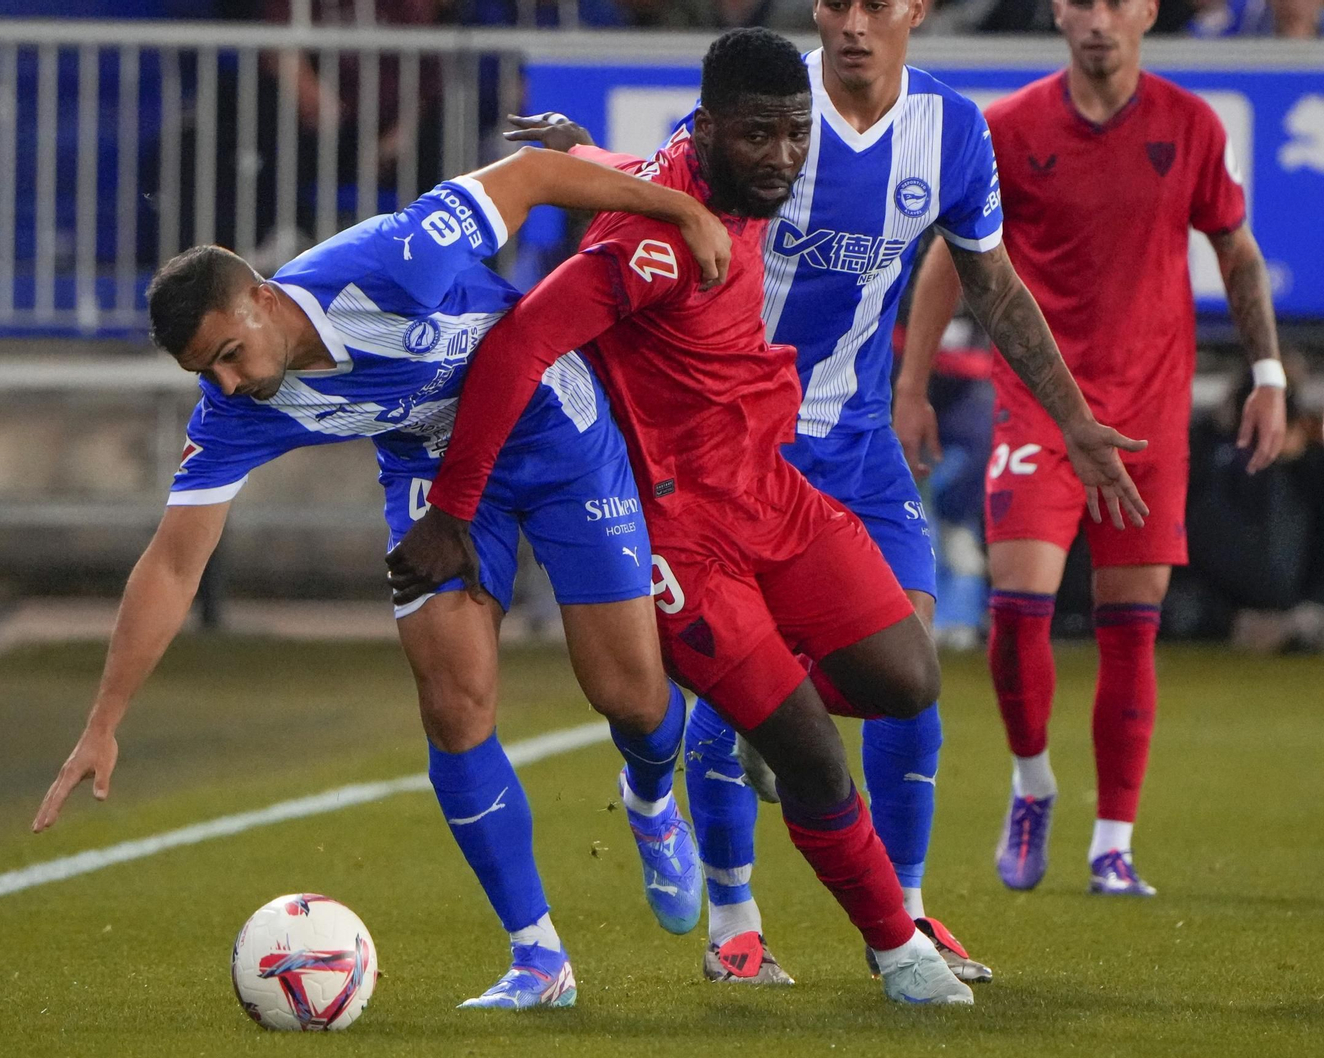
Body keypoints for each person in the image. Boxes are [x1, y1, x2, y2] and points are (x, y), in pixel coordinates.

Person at [392, 28, 1142, 1005]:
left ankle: (733, 732)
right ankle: (891, 945)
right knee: (809, 749)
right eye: (761, 138)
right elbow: (516, 347)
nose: (785, 158)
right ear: (707, 134)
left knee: (907, 676)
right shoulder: (652, 242)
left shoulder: (734, 183)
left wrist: (582, 151)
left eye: (795, 136)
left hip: (772, 490)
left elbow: (650, 166)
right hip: (681, 533)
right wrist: (452, 509)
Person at [31, 145, 736, 1010]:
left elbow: (536, 173)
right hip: (431, 476)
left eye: (225, 353)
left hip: (550, 426)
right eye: (202, 372)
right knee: (452, 701)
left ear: (260, 298)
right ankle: (538, 959)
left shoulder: (388, 262)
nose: (225, 382)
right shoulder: (235, 410)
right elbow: (174, 563)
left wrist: (680, 209)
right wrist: (104, 721)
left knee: (628, 693)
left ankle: (652, 795)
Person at [901, 0, 1288, 896]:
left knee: (1131, 632)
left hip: (1148, 412)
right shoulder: (1008, 127)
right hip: (1041, 409)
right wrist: (912, 387)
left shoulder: (1190, 125)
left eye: (1120, 0)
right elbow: (949, 258)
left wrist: (1268, 372)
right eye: (1084, 0)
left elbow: (1236, 249)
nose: (1101, 19)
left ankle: (1113, 842)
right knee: (1017, 612)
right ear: (1060, 13)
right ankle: (1032, 780)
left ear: (1148, 12)